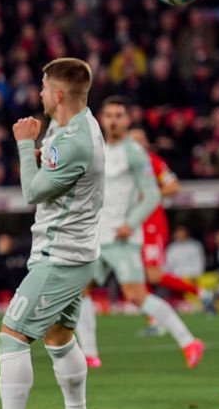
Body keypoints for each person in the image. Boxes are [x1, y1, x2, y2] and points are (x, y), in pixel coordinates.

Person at [0, 57, 105, 409]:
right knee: (59, 336)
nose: (40, 94)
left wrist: (25, 144)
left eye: (44, 88)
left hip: (60, 256)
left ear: (58, 95)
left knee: (11, 337)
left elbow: (33, 191)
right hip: (77, 252)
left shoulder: (74, 139)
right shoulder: (78, 125)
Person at [75, 97, 206, 370]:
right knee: (79, 290)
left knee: (136, 294)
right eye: (108, 115)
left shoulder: (135, 153)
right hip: (98, 235)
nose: (112, 120)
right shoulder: (97, 149)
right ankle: (89, 354)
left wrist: (131, 223)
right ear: (101, 118)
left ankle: (188, 341)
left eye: (118, 115)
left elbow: (153, 195)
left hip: (123, 238)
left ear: (127, 120)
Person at [130, 126, 215, 320]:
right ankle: (154, 320)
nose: (134, 145)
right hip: (133, 223)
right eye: (131, 141)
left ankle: (201, 293)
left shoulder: (152, 162)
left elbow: (174, 187)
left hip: (152, 223)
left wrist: (150, 196)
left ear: (146, 144)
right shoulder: (121, 165)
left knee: (153, 275)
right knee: (139, 273)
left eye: (138, 141)